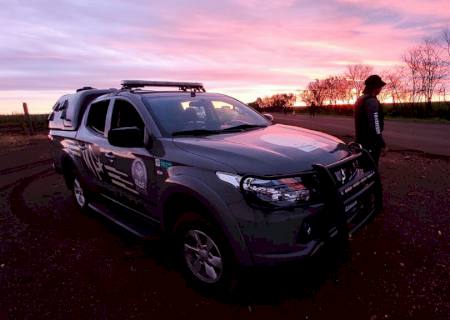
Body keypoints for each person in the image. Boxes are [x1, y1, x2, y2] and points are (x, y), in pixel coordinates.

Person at [354, 75, 387, 167]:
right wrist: (382, 144)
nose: (381, 88)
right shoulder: (371, 101)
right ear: (375, 87)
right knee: (371, 169)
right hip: (370, 144)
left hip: (360, 141)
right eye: (380, 86)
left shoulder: (360, 99)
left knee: (362, 169)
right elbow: (375, 125)